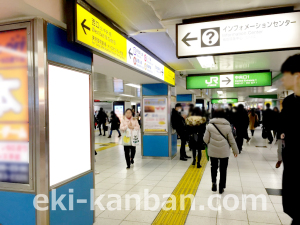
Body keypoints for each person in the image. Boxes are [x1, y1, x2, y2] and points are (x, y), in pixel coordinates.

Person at [279, 54, 300, 225]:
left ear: (297, 75)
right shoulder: (289, 102)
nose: (281, 80)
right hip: (292, 172)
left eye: (284, 75)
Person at [203, 109, 239, 194]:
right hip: (224, 151)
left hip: (213, 151)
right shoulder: (227, 126)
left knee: (213, 167)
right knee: (223, 169)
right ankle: (221, 187)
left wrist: (210, 142)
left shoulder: (209, 126)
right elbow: (232, 140)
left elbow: (205, 139)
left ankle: (213, 183)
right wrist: (235, 151)